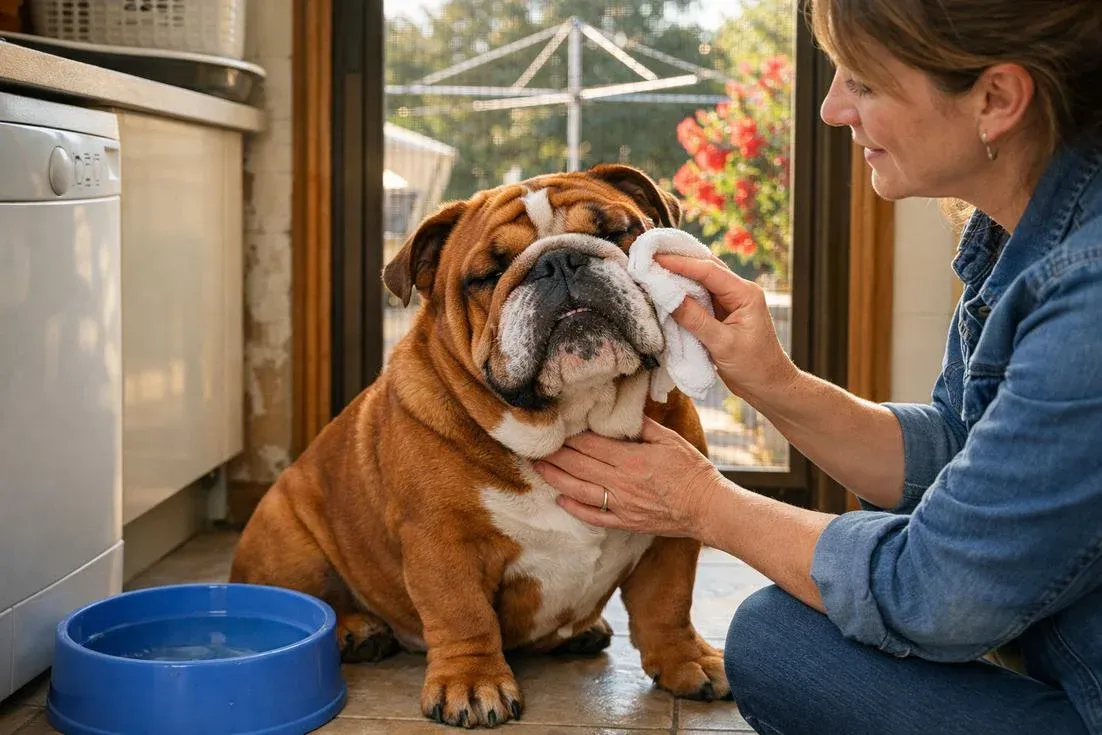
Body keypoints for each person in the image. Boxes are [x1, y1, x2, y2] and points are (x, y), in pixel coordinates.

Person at [532, 1, 1102, 733]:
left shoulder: (1086, 288)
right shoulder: (1018, 227)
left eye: (862, 82)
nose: (833, 109)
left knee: (782, 641)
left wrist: (703, 503)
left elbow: (934, 589)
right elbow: (961, 451)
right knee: (789, 623)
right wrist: (772, 382)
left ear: (995, 100)